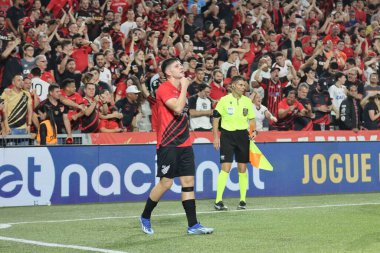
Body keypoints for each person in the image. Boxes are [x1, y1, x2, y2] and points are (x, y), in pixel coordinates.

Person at [139, 58, 214, 235]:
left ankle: (193, 225)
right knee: (166, 182)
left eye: (181, 65)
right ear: (168, 72)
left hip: (185, 143)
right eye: (176, 66)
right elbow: (178, 109)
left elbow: (184, 113)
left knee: (188, 183)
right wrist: (186, 86)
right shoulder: (164, 88)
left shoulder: (180, 90)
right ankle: (145, 216)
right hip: (168, 143)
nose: (181, 68)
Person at [212, 75, 256, 211]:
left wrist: (253, 131)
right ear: (233, 86)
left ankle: (242, 200)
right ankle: (218, 200)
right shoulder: (224, 100)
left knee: (242, 168)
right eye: (241, 85)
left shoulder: (247, 101)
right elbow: (215, 119)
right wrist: (215, 137)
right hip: (227, 136)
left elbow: (252, 120)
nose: (243, 87)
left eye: (244, 85)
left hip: (243, 136)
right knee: (225, 167)